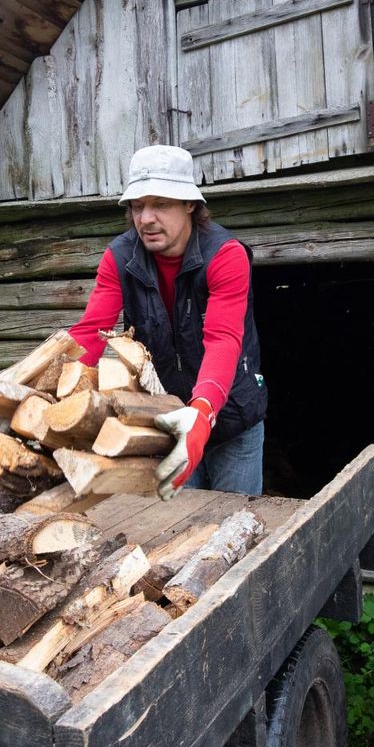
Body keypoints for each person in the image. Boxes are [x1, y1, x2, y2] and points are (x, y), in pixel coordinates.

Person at [67, 145, 268, 499]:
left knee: (234, 526)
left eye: (161, 204)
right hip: (166, 418)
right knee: (176, 530)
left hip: (233, 418)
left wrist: (202, 413)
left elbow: (223, 339)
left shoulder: (225, 255)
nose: (146, 218)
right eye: (137, 206)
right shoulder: (120, 257)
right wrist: (39, 389)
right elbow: (91, 332)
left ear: (190, 204)